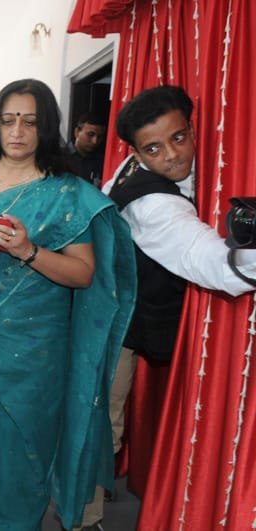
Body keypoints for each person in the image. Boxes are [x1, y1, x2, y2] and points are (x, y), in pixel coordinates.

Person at [0, 78, 136, 531]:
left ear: (46, 127)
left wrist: (29, 251)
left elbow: (84, 274)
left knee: (19, 457)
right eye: (8, 121)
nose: (18, 131)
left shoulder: (67, 193)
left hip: (33, 353)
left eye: (30, 121)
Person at [82, 85, 256, 525]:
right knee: (104, 421)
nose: (174, 155)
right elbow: (213, 265)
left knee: (101, 416)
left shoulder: (128, 168)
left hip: (115, 312)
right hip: (116, 323)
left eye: (179, 138)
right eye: (155, 148)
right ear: (138, 154)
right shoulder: (154, 203)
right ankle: (83, 517)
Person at [67, 111, 106, 187]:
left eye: (99, 137)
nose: (95, 141)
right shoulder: (60, 157)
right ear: (77, 132)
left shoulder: (101, 161)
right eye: (90, 135)